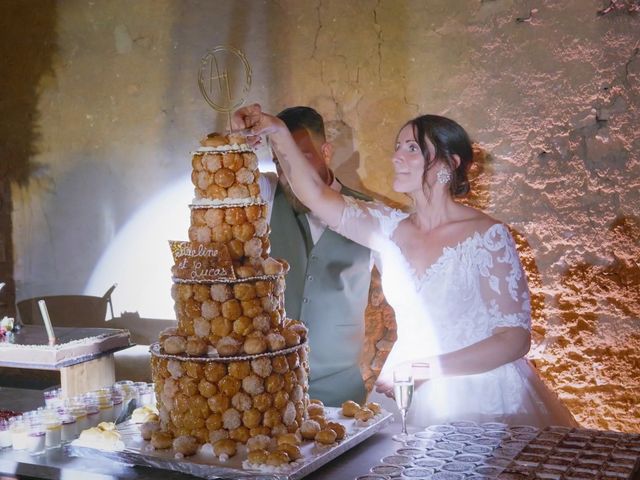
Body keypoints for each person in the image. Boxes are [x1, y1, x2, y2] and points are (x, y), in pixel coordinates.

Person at [233, 104, 577, 427]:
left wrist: (424, 367)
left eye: (412, 148)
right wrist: (276, 131)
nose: (397, 155)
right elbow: (313, 194)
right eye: (398, 146)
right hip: (408, 392)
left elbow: (515, 339)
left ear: (448, 164)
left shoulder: (488, 235)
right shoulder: (388, 228)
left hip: (482, 395)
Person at [258, 106, 373, 407]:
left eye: (299, 157)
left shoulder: (368, 213)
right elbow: (226, 184)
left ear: (326, 151)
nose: (288, 171)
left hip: (342, 393)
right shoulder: (268, 195)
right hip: (274, 389)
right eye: (279, 161)